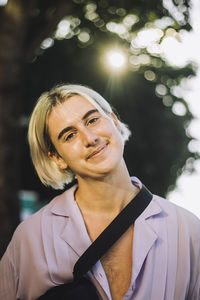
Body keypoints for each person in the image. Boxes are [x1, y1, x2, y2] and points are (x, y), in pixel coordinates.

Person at [0, 84, 200, 300]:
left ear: (114, 121)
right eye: (69, 135)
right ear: (57, 158)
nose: (89, 138)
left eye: (92, 120)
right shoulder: (31, 239)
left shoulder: (186, 229)